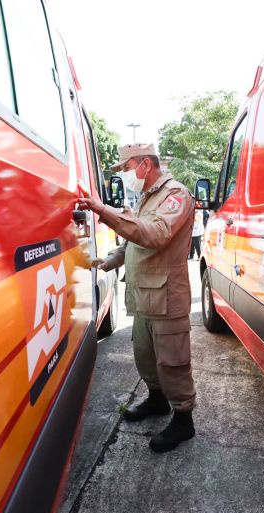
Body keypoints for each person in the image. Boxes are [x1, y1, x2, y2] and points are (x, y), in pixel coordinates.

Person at [76, 143, 196, 453]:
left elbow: (153, 235)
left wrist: (105, 211)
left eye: (127, 168)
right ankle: (157, 400)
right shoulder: (148, 197)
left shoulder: (175, 195)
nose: (126, 175)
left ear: (144, 164)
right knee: (145, 355)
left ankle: (183, 419)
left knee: (173, 361)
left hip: (167, 296)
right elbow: (135, 242)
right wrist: (112, 259)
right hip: (145, 294)